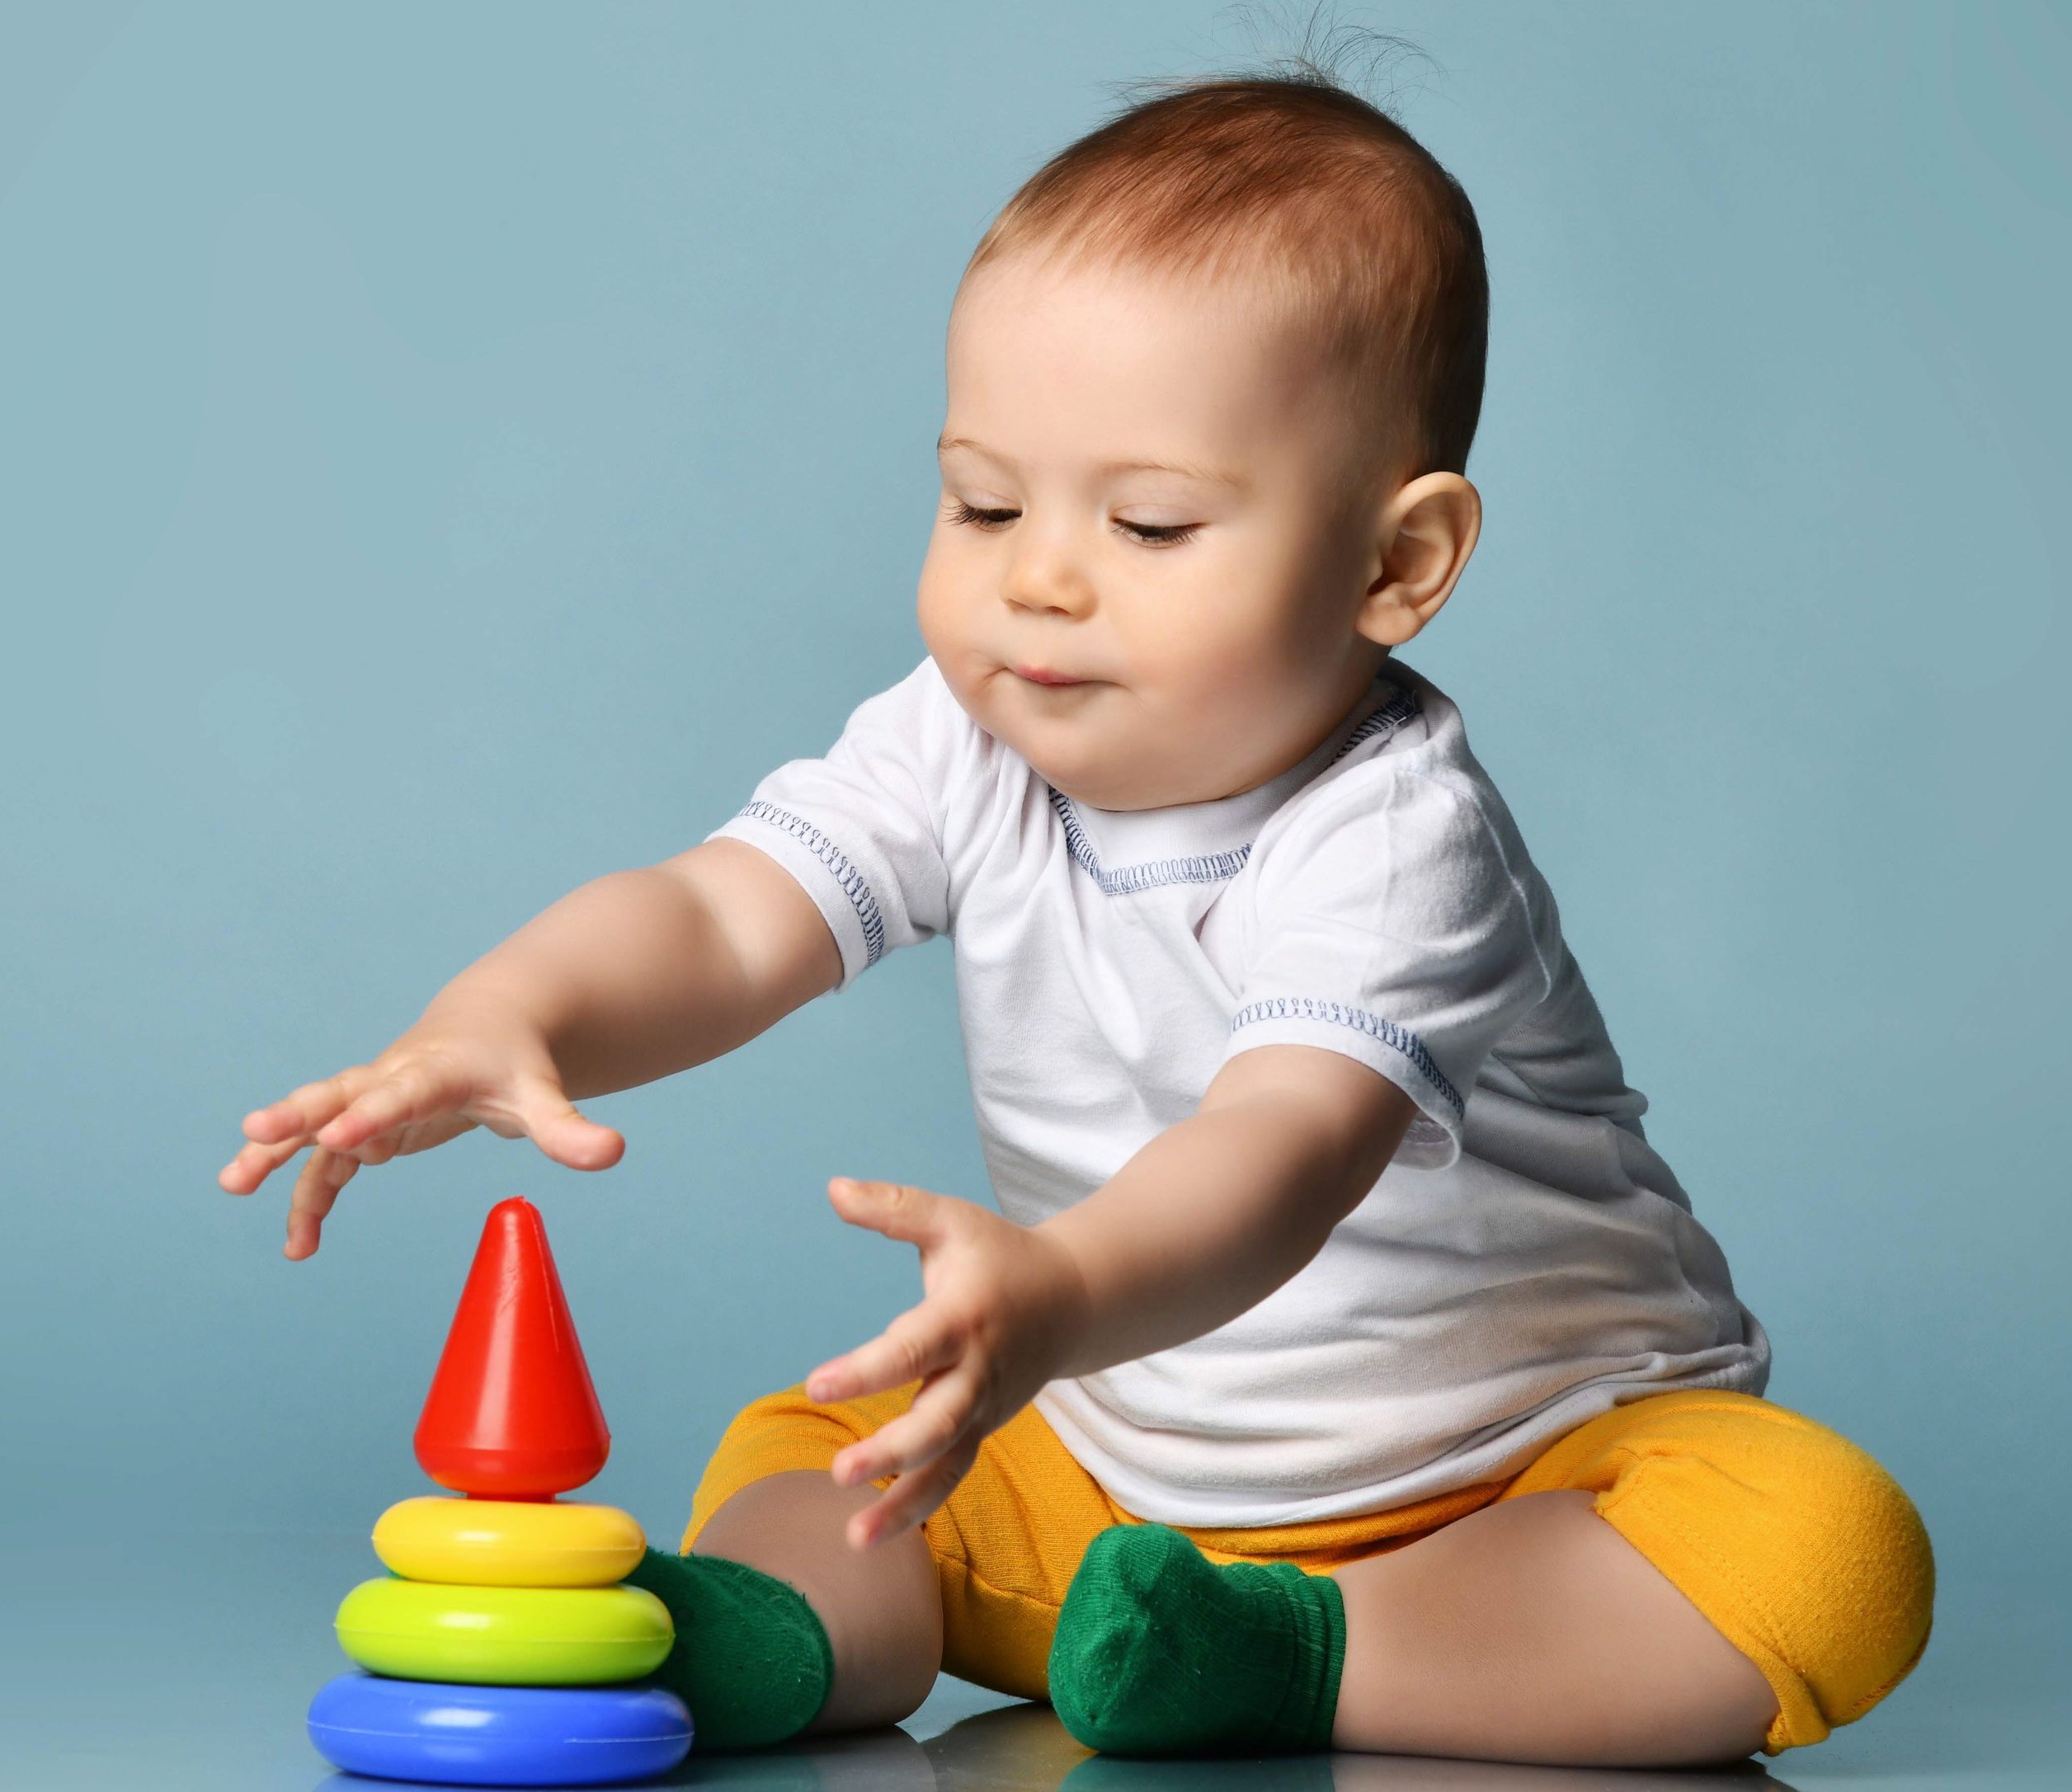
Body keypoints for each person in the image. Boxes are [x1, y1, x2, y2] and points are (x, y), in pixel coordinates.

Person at [219, 68, 1931, 1767]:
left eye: (1150, 521)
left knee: (1824, 1550)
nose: (1038, 575)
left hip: (1520, 1486)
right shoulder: (969, 735)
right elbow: (727, 916)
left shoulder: (1400, 832)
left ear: (1395, 567)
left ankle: (1297, 1655)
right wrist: (512, 1009)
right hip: (1109, 1464)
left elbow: (1277, 1156)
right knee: (835, 1439)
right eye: (984, 500)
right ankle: (763, 1639)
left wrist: (1056, 1287)